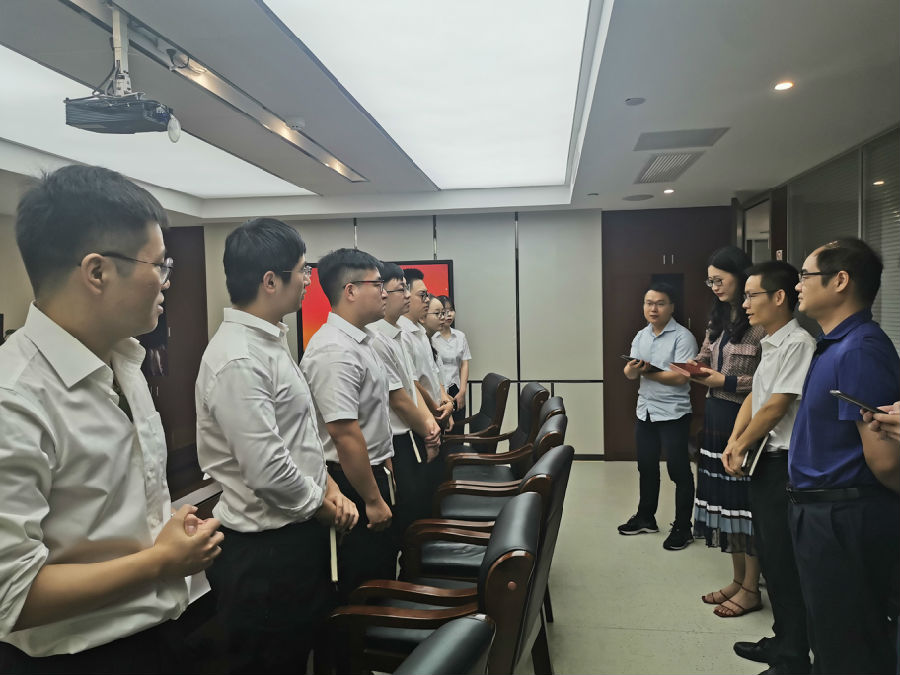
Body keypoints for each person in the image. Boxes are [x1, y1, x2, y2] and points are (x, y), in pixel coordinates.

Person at [0, 164, 223, 673]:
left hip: (164, 631)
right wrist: (159, 561)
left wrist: (166, 531)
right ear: (97, 272)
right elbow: (13, 593)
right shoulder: (15, 397)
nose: (167, 281)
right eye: (159, 265)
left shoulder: (124, 361)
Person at [195, 218, 358, 673]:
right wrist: (322, 505)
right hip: (264, 552)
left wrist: (329, 487)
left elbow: (298, 438)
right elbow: (268, 470)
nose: (308, 281)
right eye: (302, 270)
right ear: (270, 281)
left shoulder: (268, 340)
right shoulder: (239, 358)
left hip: (291, 535)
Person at [788, 238, 899, 674]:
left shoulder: (860, 349)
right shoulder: (835, 343)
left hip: (844, 517)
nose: (798, 285)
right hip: (821, 511)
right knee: (830, 637)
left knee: (849, 646)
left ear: (840, 281)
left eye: (805, 275)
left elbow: (885, 461)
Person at [721, 261, 816, 674]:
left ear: (779, 297)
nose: (744, 304)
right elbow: (754, 398)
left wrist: (742, 443)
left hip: (783, 465)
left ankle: (793, 655)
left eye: (751, 295)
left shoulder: (799, 343)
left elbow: (778, 405)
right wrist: (734, 440)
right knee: (772, 556)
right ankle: (782, 640)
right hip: (763, 460)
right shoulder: (772, 341)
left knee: (783, 560)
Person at [300, 248, 397, 601]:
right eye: (378, 284)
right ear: (350, 290)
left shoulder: (361, 340)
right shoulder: (334, 351)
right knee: (363, 581)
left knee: (382, 570)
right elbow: (344, 434)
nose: (385, 293)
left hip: (369, 472)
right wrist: (372, 498)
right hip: (348, 482)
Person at [689, 245, 765, 618]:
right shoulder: (718, 318)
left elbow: (767, 379)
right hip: (716, 415)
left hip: (745, 418)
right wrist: (690, 368)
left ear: (741, 276)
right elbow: (704, 357)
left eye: (720, 279)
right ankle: (737, 580)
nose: (715, 287)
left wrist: (726, 381)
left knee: (744, 506)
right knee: (725, 505)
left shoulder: (761, 322)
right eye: (710, 281)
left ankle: (751, 588)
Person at [617, 282, 698, 551]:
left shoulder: (683, 337)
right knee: (646, 468)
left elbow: (681, 377)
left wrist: (648, 371)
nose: (653, 308)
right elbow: (630, 373)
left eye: (660, 303)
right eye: (649, 303)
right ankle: (646, 518)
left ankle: (683, 527)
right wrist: (634, 369)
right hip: (646, 412)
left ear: (672, 306)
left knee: (679, 471)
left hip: (674, 413)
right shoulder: (641, 335)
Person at [368, 262, 441, 537]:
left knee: (420, 506)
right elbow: (398, 400)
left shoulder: (399, 334)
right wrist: (428, 430)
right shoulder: (377, 338)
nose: (408, 295)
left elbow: (412, 385)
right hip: (398, 440)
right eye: (402, 289)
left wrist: (430, 427)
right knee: (408, 515)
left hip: (415, 432)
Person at [398, 269, 454, 431]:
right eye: (422, 295)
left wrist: (445, 401)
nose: (427, 300)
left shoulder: (421, 332)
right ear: (405, 295)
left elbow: (434, 374)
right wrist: (437, 411)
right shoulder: (402, 334)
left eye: (427, 295)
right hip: (424, 419)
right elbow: (413, 384)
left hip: (435, 414)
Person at [432, 295, 472, 431]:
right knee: (441, 430)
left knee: (458, 430)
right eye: (444, 311)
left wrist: (462, 391)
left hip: (456, 389)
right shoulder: (432, 337)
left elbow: (464, 363)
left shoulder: (460, 336)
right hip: (438, 390)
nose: (448, 314)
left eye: (451, 310)